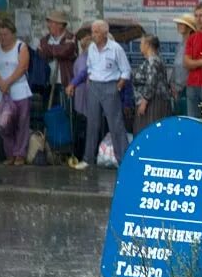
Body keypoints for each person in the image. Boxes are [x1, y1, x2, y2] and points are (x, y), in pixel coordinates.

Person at [66, 20, 131, 170]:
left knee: (116, 125)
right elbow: (89, 68)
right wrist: (77, 83)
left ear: (104, 33)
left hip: (110, 86)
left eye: (96, 32)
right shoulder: (92, 49)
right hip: (94, 86)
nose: (93, 35)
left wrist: (119, 86)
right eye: (92, 32)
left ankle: (124, 161)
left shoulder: (116, 49)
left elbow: (126, 70)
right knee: (92, 124)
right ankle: (88, 159)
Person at [0, 18, 33, 166]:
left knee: (21, 123)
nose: (2, 37)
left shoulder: (21, 47)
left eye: (5, 34)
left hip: (19, 91)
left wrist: (8, 81)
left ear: (13, 34)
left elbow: (22, 67)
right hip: (0, 93)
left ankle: (20, 154)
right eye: (0, 34)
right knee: (3, 124)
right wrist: (1, 82)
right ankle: (10, 153)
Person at [37, 10, 77, 110]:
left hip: (64, 83)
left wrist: (48, 50)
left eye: (52, 22)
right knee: (48, 113)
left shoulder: (70, 37)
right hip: (47, 83)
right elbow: (40, 54)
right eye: (49, 22)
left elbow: (65, 51)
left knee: (64, 113)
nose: (49, 25)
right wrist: (58, 50)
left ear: (60, 25)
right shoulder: (44, 40)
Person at [132, 34, 171, 135]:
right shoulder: (152, 60)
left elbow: (151, 82)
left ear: (147, 45)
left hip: (154, 103)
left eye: (141, 43)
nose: (140, 46)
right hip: (152, 101)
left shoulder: (153, 61)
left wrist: (144, 101)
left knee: (151, 131)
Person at [170, 13, 196, 115]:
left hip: (188, 89)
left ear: (189, 27)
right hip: (177, 91)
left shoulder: (193, 45)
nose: (179, 25)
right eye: (179, 23)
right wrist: (172, 85)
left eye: (182, 24)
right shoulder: (180, 46)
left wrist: (181, 87)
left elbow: (191, 68)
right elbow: (176, 68)